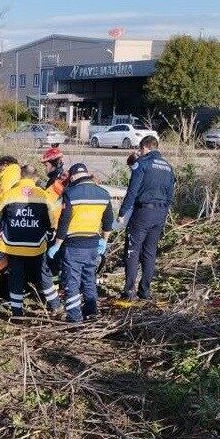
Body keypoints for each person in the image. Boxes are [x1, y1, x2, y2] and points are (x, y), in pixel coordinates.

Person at [48, 163, 113, 322]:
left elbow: (64, 222)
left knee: (72, 282)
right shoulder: (103, 193)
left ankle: (74, 317)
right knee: (89, 279)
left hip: (74, 245)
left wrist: (57, 244)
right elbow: (108, 221)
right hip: (93, 244)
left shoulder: (70, 193)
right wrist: (103, 241)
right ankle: (91, 312)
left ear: (74, 176)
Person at [0, 164, 58, 317]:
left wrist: (5, 228)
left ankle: (17, 313)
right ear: (35, 178)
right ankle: (55, 305)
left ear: (20, 176)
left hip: (13, 246)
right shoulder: (42, 195)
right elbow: (52, 221)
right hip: (36, 245)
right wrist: (48, 233)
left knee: (16, 278)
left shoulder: (9, 194)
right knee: (44, 275)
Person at [116, 135, 175, 300]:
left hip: (143, 213)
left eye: (140, 150)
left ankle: (129, 291)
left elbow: (132, 191)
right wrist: (164, 210)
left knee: (133, 251)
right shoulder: (168, 167)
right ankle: (145, 291)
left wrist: (122, 213)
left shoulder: (141, 165)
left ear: (144, 148)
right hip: (160, 213)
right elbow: (170, 194)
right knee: (150, 252)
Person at [39, 146, 67, 310]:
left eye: (46, 164)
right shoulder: (63, 178)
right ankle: (58, 293)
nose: (45, 168)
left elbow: (49, 206)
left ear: (53, 163)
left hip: (54, 229)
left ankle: (54, 301)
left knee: (48, 266)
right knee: (57, 265)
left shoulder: (55, 182)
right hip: (64, 230)